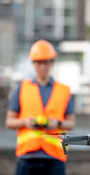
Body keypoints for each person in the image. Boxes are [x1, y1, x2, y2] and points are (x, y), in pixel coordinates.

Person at [5, 39, 75, 175]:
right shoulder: (21, 88)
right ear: (33, 63)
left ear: (52, 62)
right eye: (39, 62)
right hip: (27, 158)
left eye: (46, 62)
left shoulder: (64, 91)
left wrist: (58, 123)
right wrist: (25, 122)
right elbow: (9, 121)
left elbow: (71, 123)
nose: (42, 66)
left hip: (54, 158)